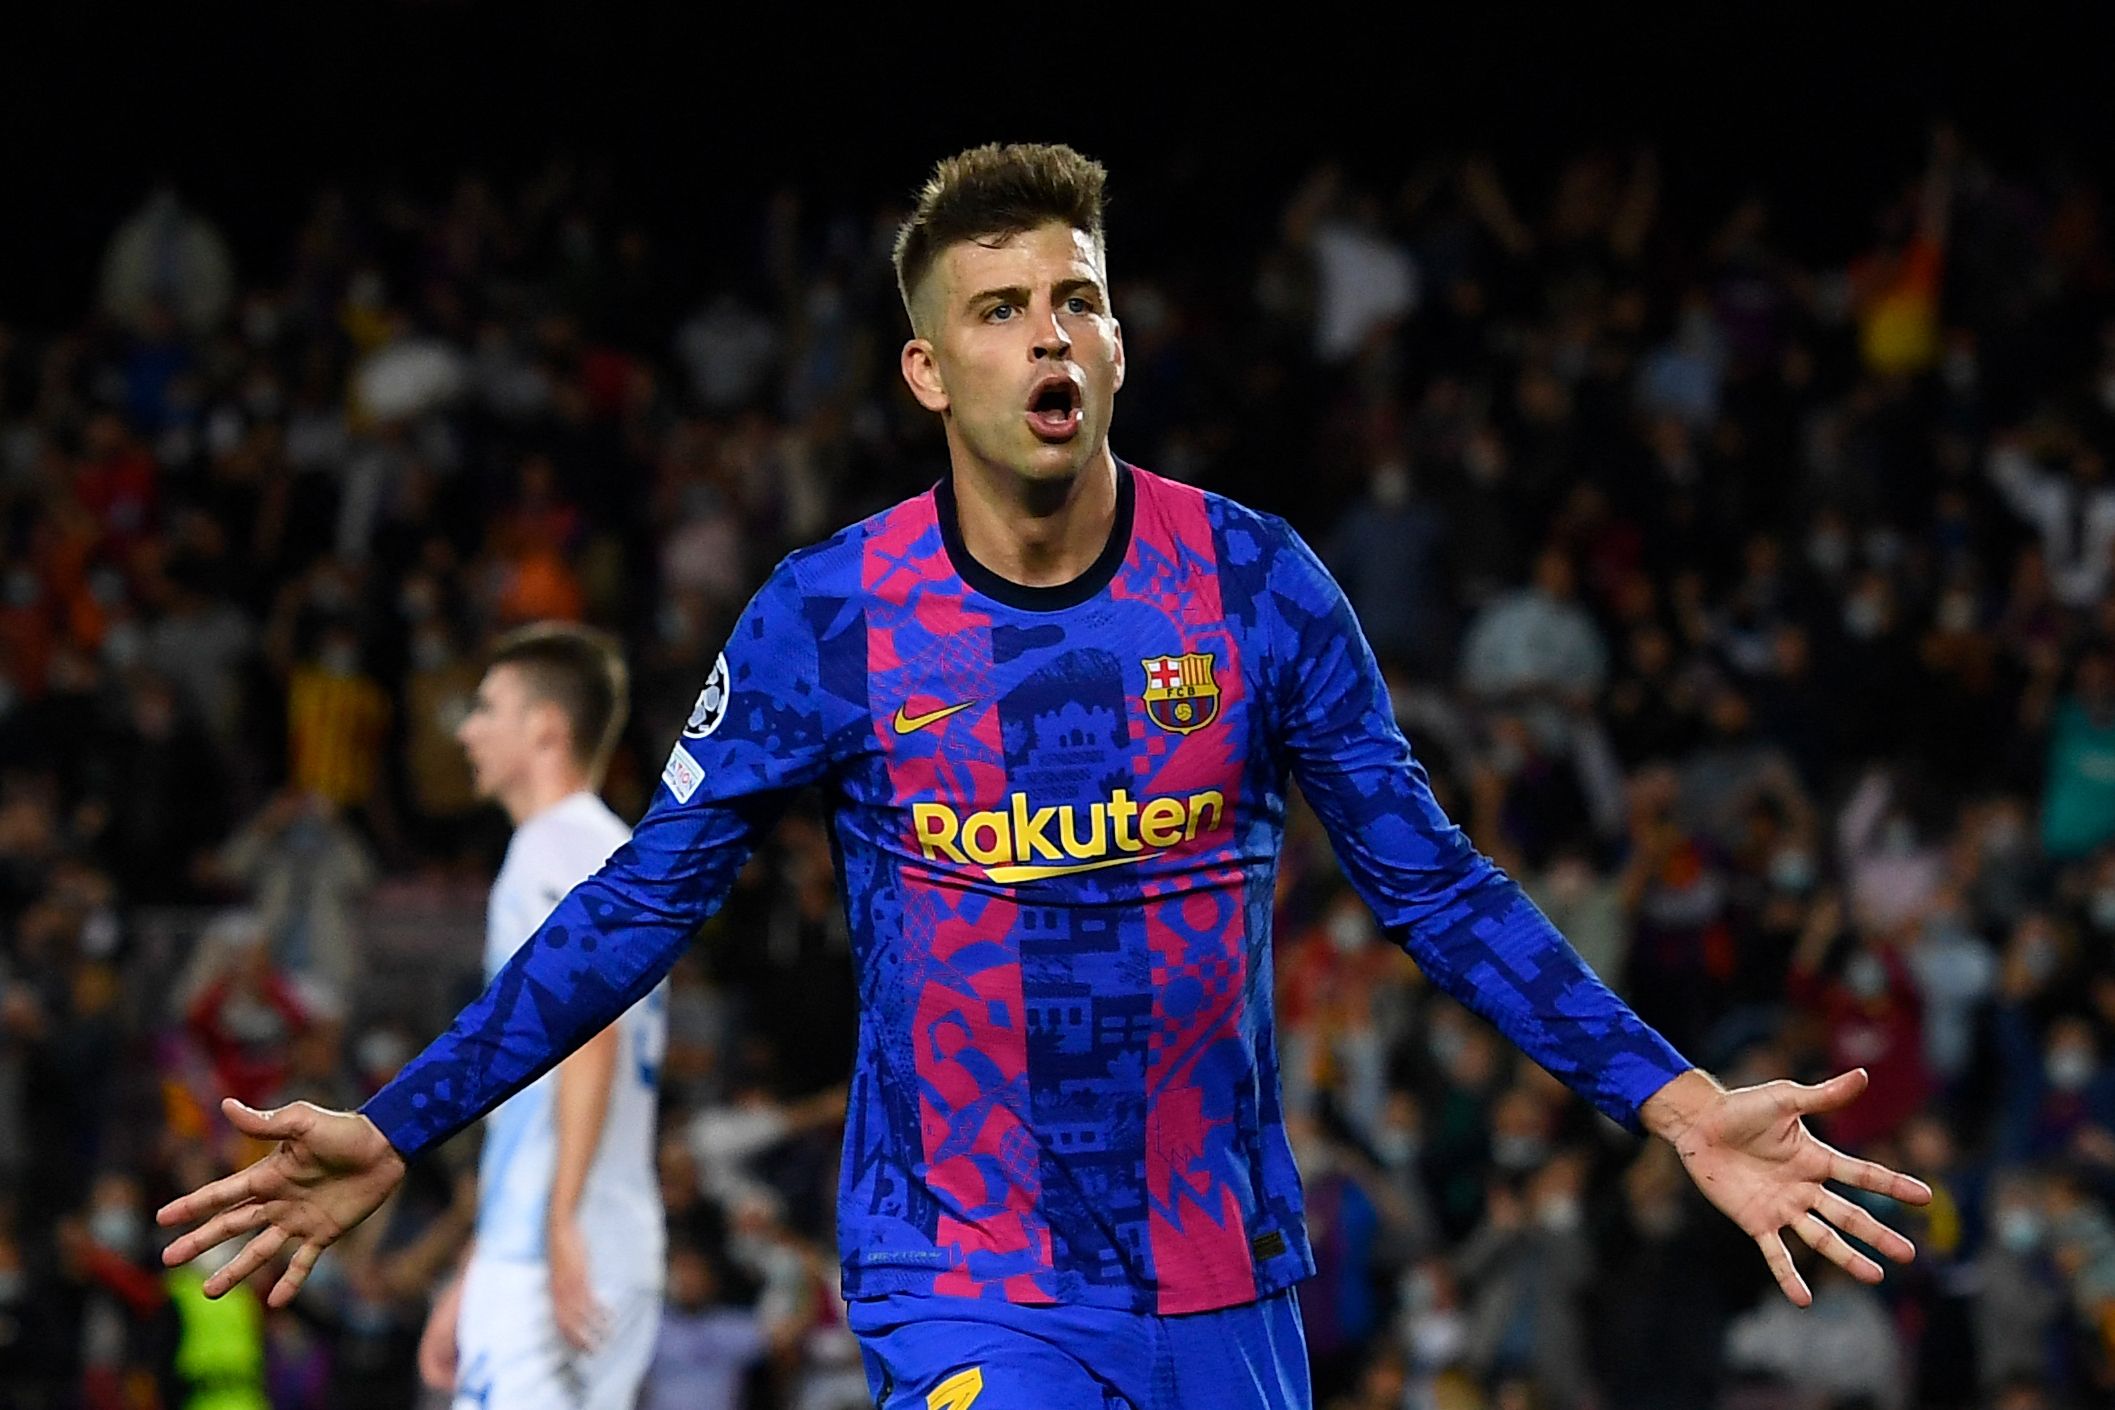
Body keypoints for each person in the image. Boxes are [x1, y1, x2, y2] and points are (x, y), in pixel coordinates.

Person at [159, 143, 1931, 1410]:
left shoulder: (1254, 584)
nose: (1048, 335)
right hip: (964, 1281)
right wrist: (400, 1122)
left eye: (1076, 298)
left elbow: (1437, 889)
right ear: (929, 369)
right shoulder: (830, 617)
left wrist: (1674, 1101)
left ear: (1119, 340)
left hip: (1225, 1281)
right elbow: (641, 902)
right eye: (1000, 309)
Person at [407, 623, 668, 1409]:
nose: (467, 731)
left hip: (555, 1246)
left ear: (546, 727)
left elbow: (589, 1033)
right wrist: (475, 1269)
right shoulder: (615, 852)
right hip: (600, 1232)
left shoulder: (549, 851)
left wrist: (554, 1228)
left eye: (488, 708)